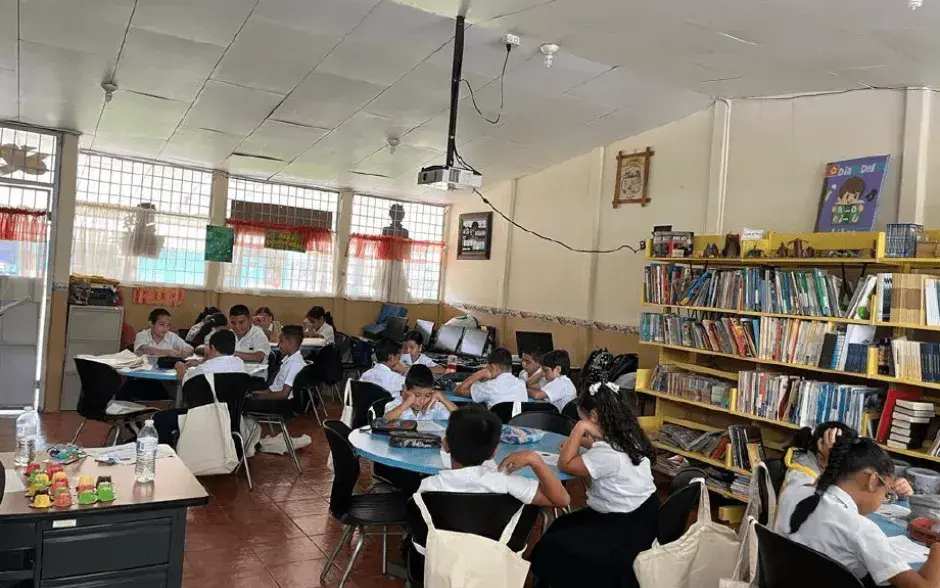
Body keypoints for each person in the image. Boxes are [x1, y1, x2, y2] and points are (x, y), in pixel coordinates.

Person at [530, 382, 660, 588]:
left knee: (552, 544)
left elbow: (565, 464)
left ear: (593, 417)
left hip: (622, 527)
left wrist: (578, 430)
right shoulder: (629, 435)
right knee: (561, 524)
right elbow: (605, 451)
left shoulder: (606, 453)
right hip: (644, 515)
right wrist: (582, 442)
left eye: (581, 419)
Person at [778, 436, 940, 587]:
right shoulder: (860, 530)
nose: (884, 499)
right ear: (873, 480)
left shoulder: (792, 492)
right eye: (887, 493)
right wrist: (936, 547)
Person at [417, 405, 569, 508]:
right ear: (493, 453)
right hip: (495, 548)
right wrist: (534, 459)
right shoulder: (506, 484)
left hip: (440, 548)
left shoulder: (427, 487)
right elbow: (562, 500)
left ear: (446, 444)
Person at [151, 330, 246, 445]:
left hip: (201, 418)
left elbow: (185, 383)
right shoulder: (239, 364)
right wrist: (202, 362)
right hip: (231, 419)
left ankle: (168, 453)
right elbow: (220, 365)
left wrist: (179, 366)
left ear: (212, 347)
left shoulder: (203, 370)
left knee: (159, 419)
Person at [784, 422, 913, 497]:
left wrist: (894, 490)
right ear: (821, 454)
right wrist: (831, 464)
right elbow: (821, 504)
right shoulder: (800, 476)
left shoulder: (844, 469)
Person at [453, 347, 527, 408]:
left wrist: (479, 374)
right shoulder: (521, 383)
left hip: (496, 421)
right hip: (518, 421)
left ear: (492, 366)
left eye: (487, 366)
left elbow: (459, 391)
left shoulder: (489, 386)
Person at [385, 364, 456, 421]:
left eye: (427, 395)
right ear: (405, 389)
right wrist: (408, 402)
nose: (422, 401)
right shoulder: (395, 404)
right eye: (417, 395)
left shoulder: (432, 405)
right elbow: (386, 421)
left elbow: (460, 419)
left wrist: (442, 398)